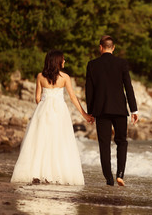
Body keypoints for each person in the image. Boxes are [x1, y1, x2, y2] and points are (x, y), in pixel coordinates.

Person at [11, 50, 93, 185]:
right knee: (59, 142)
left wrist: (45, 104)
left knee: (41, 142)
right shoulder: (65, 77)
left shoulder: (40, 76)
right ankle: (58, 175)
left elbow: (37, 98)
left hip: (43, 110)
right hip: (60, 111)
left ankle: (37, 172)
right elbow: (73, 97)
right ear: (57, 61)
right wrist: (85, 114)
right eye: (63, 59)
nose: (65, 61)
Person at [85, 35, 138, 186]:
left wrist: (90, 112)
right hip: (120, 109)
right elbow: (128, 87)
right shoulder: (121, 63)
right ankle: (120, 174)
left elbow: (89, 90)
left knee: (104, 144)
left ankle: (108, 179)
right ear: (113, 48)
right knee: (121, 142)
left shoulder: (92, 64)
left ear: (100, 47)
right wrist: (134, 109)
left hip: (101, 110)